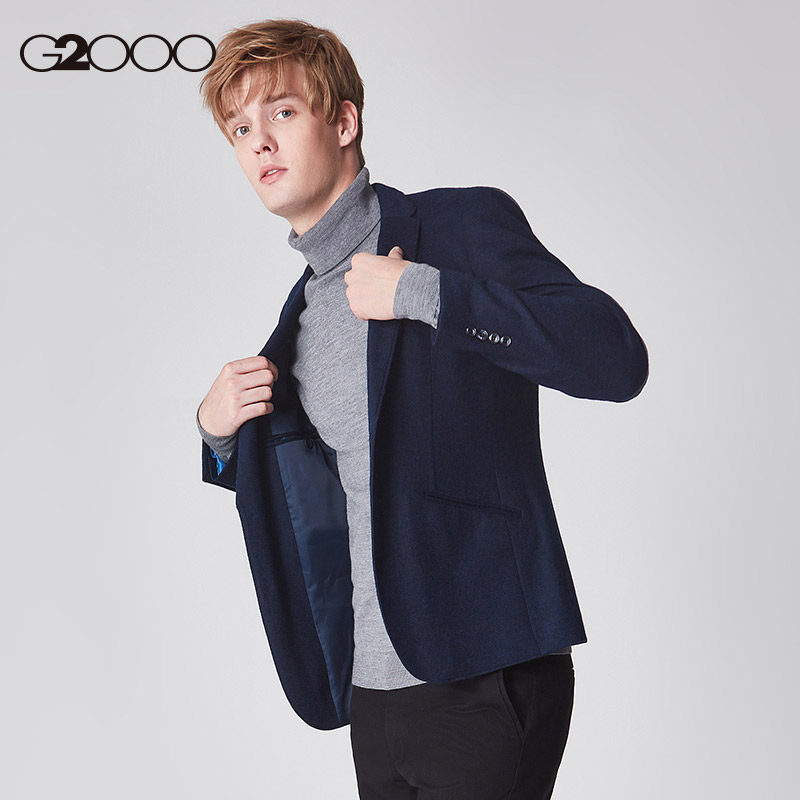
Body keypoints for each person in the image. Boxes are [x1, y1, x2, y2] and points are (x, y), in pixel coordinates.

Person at [195, 18, 648, 800]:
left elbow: (614, 358)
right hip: (373, 695)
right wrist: (217, 437)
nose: (259, 141)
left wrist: (427, 293)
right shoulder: (299, 319)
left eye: (282, 112)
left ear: (344, 122)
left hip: (484, 670)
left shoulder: (457, 228)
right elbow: (311, 496)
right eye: (240, 128)